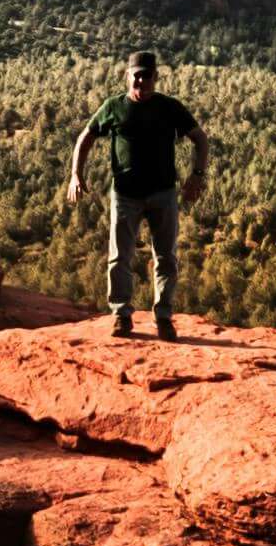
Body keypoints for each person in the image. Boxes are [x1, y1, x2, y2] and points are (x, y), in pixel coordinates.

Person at [66, 54, 214, 337]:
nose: (142, 81)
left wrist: (197, 175)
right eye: (137, 75)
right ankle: (121, 314)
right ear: (128, 76)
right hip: (125, 195)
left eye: (147, 76)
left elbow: (200, 138)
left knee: (166, 257)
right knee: (119, 256)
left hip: (163, 194)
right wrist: (76, 173)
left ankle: (164, 317)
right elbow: (85, 137)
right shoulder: (113, 107)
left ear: (155, 78)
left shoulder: (169, 107)